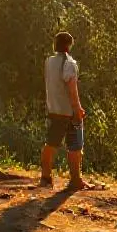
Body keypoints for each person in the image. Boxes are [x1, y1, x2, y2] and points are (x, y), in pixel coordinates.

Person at [40, 31, 87, 190]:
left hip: (54, 110)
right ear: (69, 45)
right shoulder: (69, 63)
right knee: (75, 146)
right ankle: (75, 180)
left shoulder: (49, 62)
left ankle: (46, 178)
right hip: (69, 112)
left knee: (50, 144)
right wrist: (78, 109)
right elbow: (72, 89)